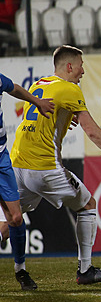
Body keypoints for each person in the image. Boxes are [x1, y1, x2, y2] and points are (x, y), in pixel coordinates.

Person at [10, 45, 101, 286]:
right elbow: (91, 130)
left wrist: (63, 118)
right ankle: (86, 269)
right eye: (80, 65)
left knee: (12, 219)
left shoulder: (39, 84)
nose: (83, 71)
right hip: (44, 166)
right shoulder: (70, 88)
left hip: (18, 164)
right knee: (88, 204)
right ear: (69, 66)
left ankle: (23, 270)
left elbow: (43, 118)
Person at [0, 72, 54, 290]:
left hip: (2, 157)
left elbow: (14, 88)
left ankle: (20, 271)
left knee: (15, 217)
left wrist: (37, 102)